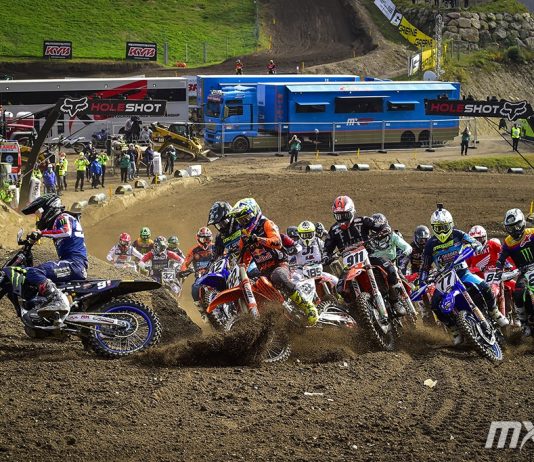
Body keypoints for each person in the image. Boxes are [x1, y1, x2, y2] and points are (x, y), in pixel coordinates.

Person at [419, 204, 508, 345]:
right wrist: (422, 280)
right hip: (445, 279)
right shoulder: (430, 244)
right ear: (433, 227)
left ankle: (494, 311)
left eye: (444, 227)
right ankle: (453, 329)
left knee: (485, 286)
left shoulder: (458, 234)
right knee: (435, 305)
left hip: (462, 272)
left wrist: (476, 246)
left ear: (450, 224)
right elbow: (424, 265)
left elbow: (473, 241)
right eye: (438, 228)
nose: (442, 231)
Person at [228, 198, 318, 325]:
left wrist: (259, 239)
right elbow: (244, 260)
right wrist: (241, 271)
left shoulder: (266, 224)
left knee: (277, 276)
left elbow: (277, 242)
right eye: (240, 220)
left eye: (245, 219)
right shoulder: (244, 237)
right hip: (263, 271)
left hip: (280, 264)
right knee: (258, 289)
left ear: (254, 213)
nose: (244, 222)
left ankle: (307, 306)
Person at [2, 194, 88, 318]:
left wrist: (41, 233)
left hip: (74, 263)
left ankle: (58, 300)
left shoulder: (63, 217)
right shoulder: (57, 222)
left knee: (34, 272)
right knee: (33, 274)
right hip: (72, 264)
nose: (39, 217)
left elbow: (66, 231)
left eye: (39, 213)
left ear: (49, 208)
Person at [322, 196, 408, 316]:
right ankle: (355, 312)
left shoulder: (363, 221)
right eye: (338, 216)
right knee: (340, 288)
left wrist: (384, 229)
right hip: (350, 265)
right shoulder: (334, 230)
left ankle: (395, 301)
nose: (342, 219)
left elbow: (381, 226)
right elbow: (327, 248)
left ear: (352, 212)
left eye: (345, 215)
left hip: (369, 257)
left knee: (390, 269)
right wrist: (326, 257)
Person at [496, 209, 534, 336]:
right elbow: (501, 259)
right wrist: (498, 270)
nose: (514, 230)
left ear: (522, 223)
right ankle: (524, 323)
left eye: (516, 226)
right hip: (524, 272)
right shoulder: (508, 242)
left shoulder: (532, 233)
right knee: (518, 294)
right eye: (510, 228)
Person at [466, 224, 516, 318]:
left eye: (480, 239)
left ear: (485, 237)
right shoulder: (468, 251)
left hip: (496, 274)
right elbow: (465, 267)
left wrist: (513, 264)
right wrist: (477, 269)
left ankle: (515, 314)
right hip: (479, 280)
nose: (477, 242)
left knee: (514, 286)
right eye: (474, 240)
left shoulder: (492, 244)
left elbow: (505, 253)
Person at [180, 227, 214, 304]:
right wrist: (184, 270)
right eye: (203, 239)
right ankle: (198, 304)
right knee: (195, 287)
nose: (206, 241)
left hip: (215, 271)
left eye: (208, 238)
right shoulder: (194, 250)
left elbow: (225, 256)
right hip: (200, 274)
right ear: (198, 239)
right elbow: (185, 262)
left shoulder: (215, 247)